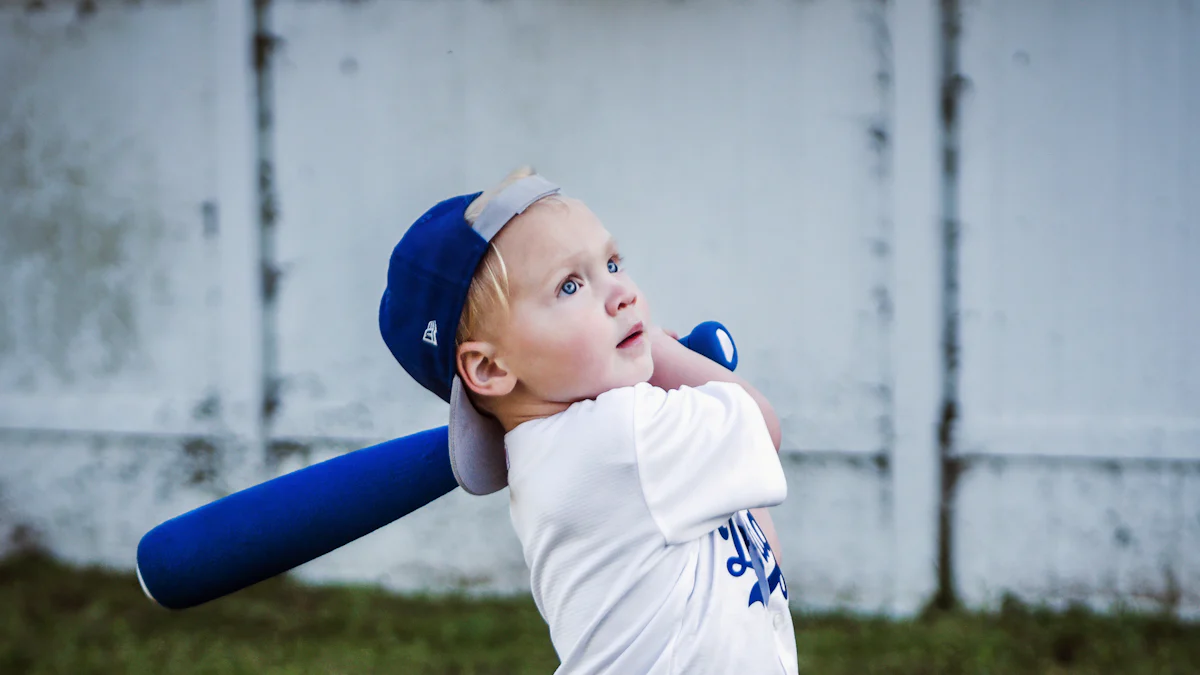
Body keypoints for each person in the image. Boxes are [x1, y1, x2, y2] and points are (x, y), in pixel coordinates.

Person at [379, 167, 797, 674]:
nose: (622, 295)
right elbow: (761, 424)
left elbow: (755, 541)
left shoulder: (558, 452)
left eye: (613, 263)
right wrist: (663, 350)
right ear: (490, 367)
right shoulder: (623, 436)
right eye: (570, 286)